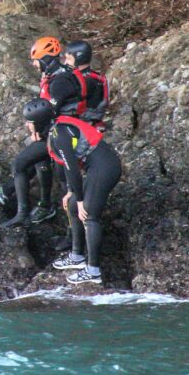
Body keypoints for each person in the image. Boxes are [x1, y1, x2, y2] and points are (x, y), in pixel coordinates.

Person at [0, 36, 85, 228]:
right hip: (59, 131)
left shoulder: (60, 81)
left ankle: (21, 213)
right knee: (39, 161)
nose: (34, 64)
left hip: (64, 135)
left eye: (36, 60)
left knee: (20, 163)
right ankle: (41, 205)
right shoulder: (58, 75)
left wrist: (37, 127)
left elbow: (51, 109)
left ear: (46, 59)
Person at [23, 98, 122, 285]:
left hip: (105, 167)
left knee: (89, 214)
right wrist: (71, 193)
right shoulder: (55, 130)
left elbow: (72, 169)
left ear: (38, 122)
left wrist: (80, 200)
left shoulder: (59, 134)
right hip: (96, 167)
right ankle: (77, 257)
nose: (27, 125)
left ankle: (93, 270)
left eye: (29, 122)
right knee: (70, 204)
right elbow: (69, 166)